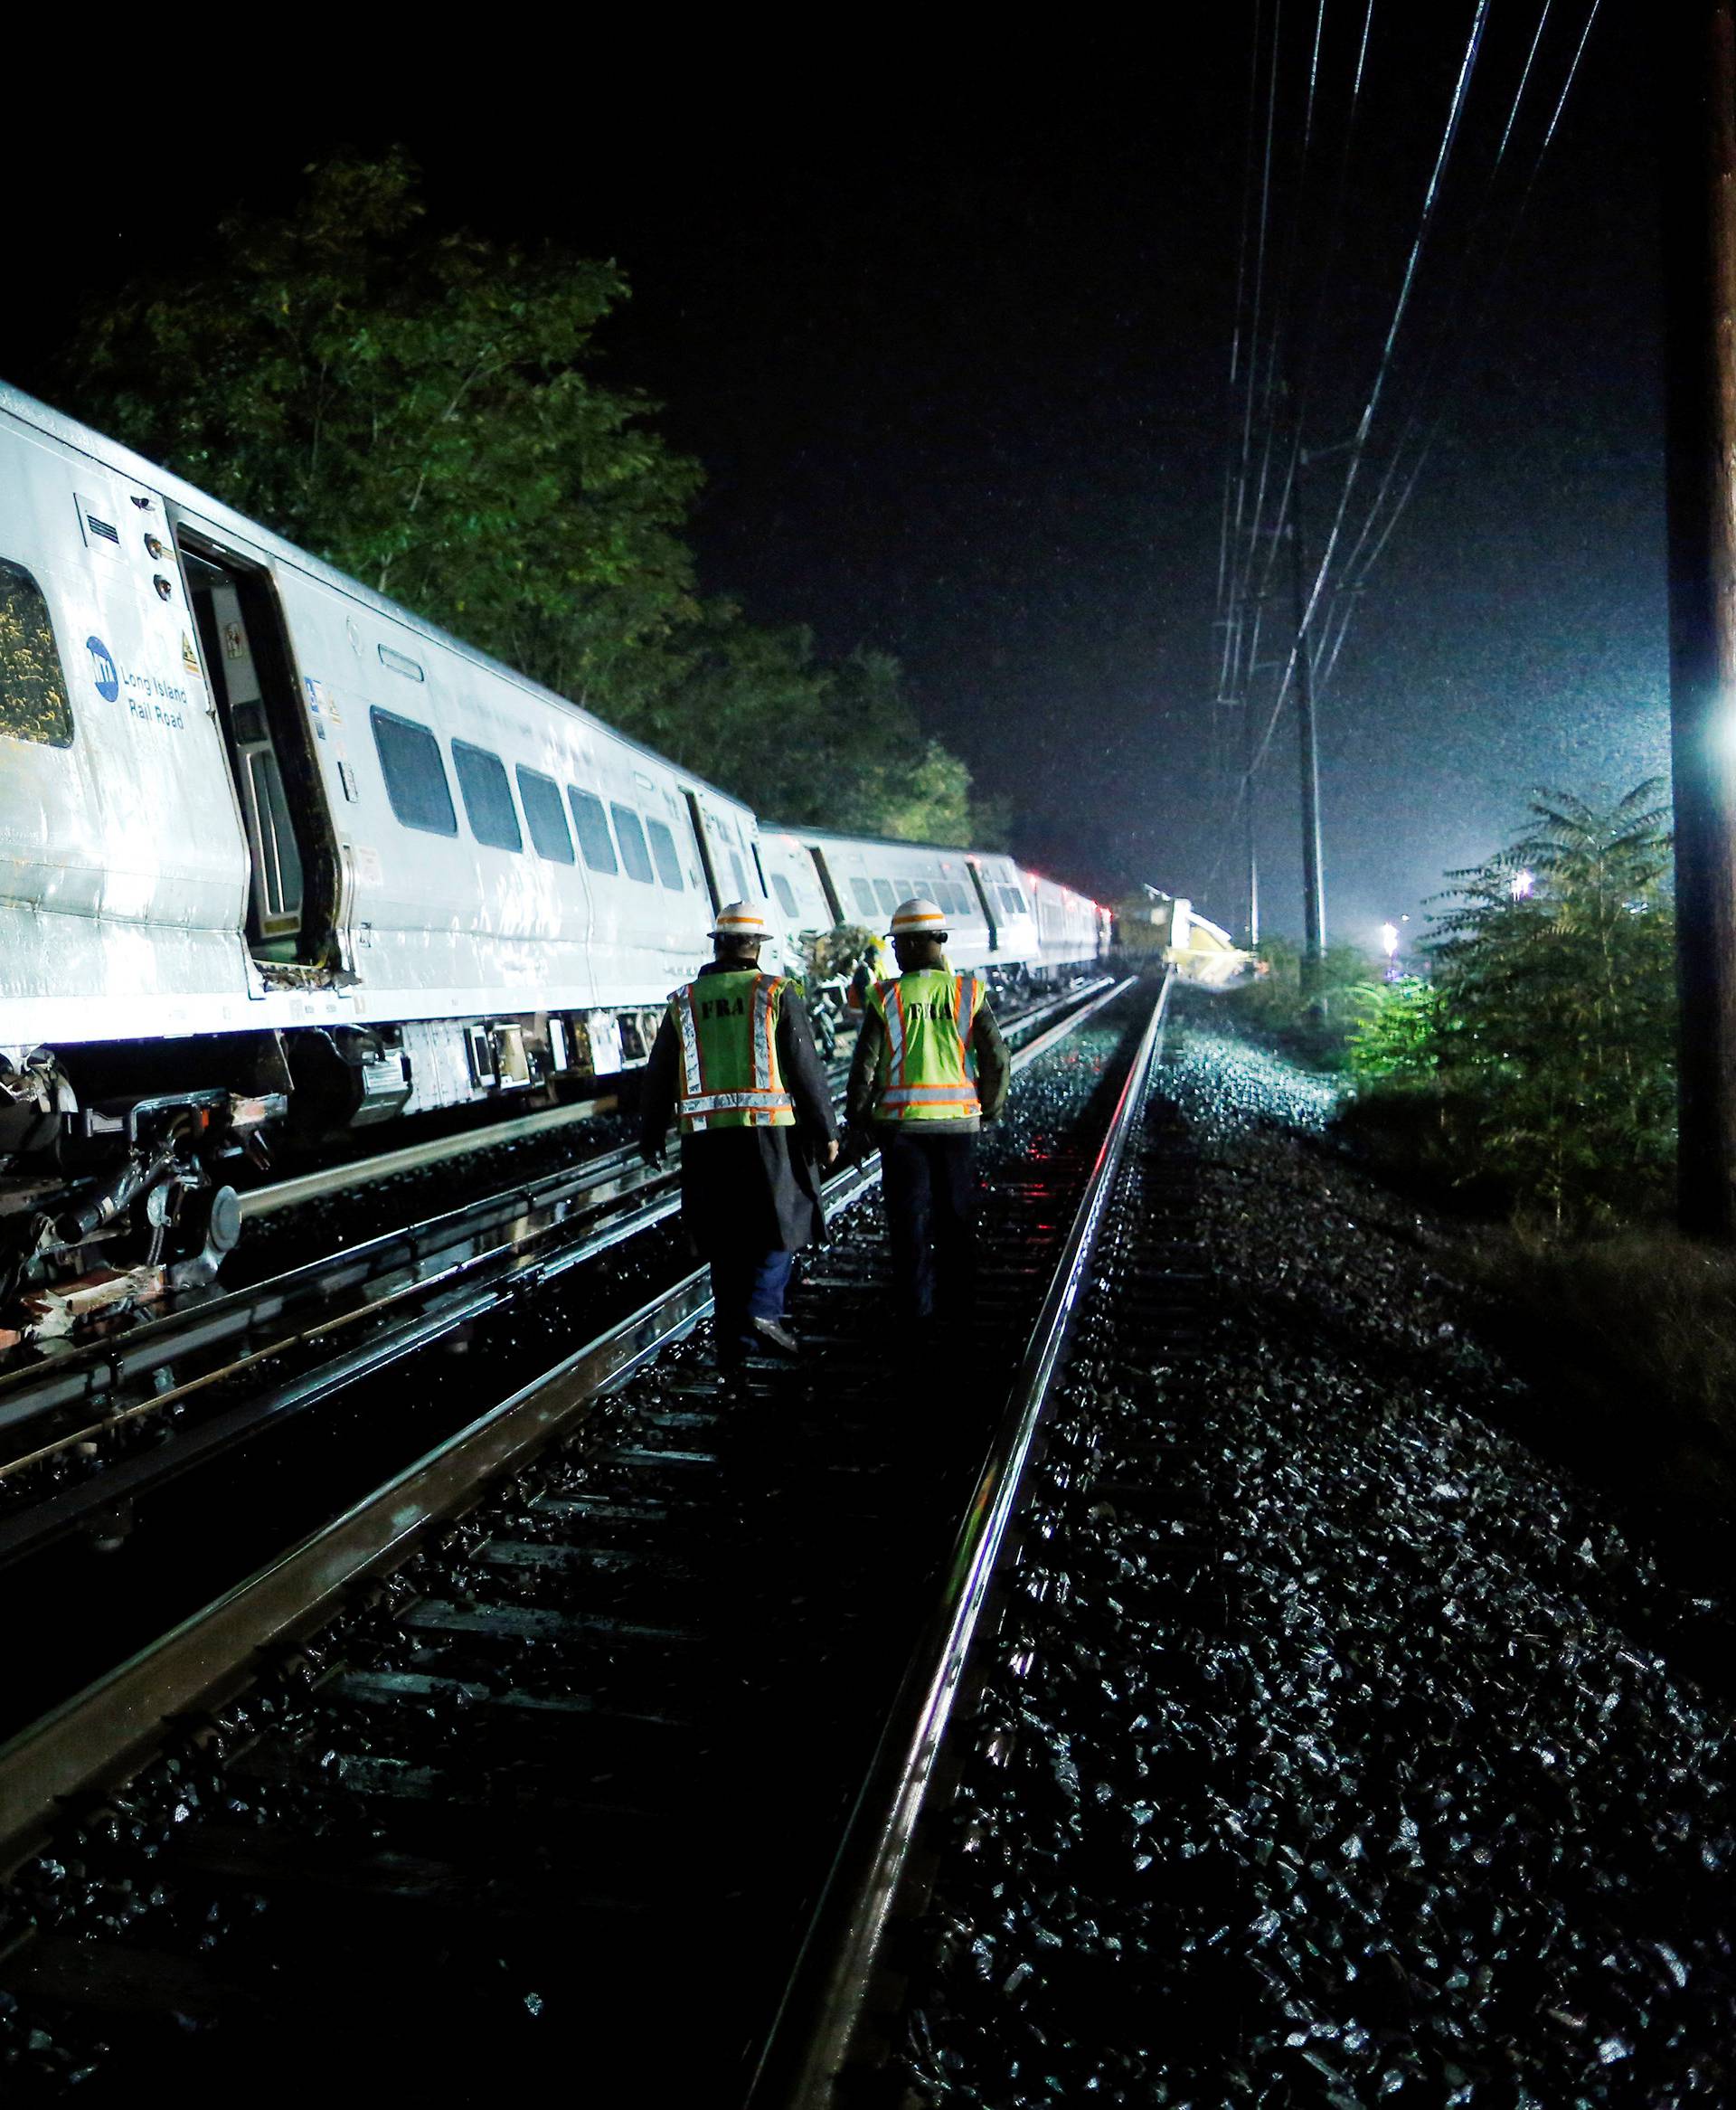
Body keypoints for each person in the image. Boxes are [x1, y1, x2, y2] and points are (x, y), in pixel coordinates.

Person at [639, 903, 839, 1367]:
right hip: (769, 1138)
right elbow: (804, 1067)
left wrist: (650, 1133)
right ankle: (763, 1312)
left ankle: (734, 1347)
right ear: (757, 947)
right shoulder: (776, 992)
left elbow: (659, 1072)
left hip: (707, 1141)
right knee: (779, 1227)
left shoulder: (684, 1000)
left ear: (718, 943)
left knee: (724, 1240)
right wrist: (825, 1130)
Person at [843, 896, 1009, 1327]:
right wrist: (986, 1108)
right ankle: (958, 1310)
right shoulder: (967, 993)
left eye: (898, 944)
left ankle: (916, 1312)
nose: (894, 952)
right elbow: (996, 1058)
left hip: (902, 1131)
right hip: (958, 1128)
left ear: (915, 945)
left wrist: (857, 1121)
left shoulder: (887, 997)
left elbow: (864, 1067)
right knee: (956, 1220)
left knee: (909, 1224)